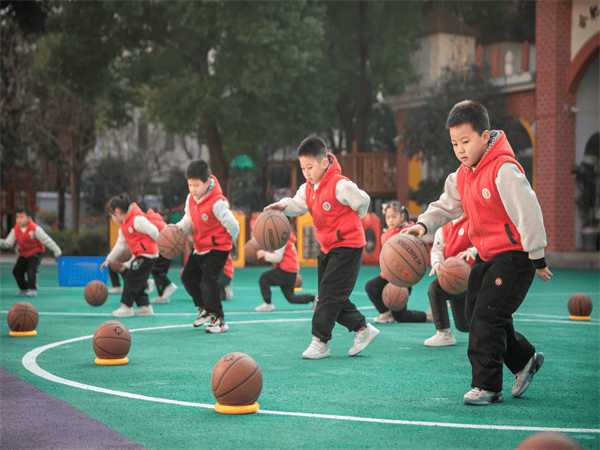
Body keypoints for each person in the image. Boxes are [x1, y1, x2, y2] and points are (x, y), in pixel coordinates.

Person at [402, 100, 552, 406]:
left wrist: (537, 256)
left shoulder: (504, 170)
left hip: (515, 257)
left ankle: (487, 386)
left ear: (485, 136)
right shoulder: (462, 175)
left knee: (488, 314)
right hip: (487, 256)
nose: (459, 149)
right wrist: (422, 225)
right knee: (475, 314)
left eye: (466, 141)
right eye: (455, 143)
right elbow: (445, 206)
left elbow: (529, 212)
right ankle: (524, 359)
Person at [265, 135, 379, 359]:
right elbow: (297, 203)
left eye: (309, 167)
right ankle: (363, 329)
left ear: (324, 163)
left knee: (328, 295)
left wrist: (357, 219)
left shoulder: (340, 185)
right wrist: (283, 206)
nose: (306, 172)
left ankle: (320, 341)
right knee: (332, 295)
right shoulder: (309, 188)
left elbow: (363, 200)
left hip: (348, 246)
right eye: (302, 168)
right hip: (327, 247)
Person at [172, 159, 239, 333]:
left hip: (219, 248)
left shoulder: (218, 203)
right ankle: (204, 309)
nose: (192, 189)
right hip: (200, 246)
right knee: (187, 277)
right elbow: (188, 218)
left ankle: (219, 319)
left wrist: (233, 242)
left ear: (207, 182)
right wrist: (180, 226)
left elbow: (233, 224)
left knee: (209, 281)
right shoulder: (191, 198)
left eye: (196, 185)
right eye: (190, 185)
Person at [366, 201, 432, 324]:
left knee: (401, 316)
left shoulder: (408, 230)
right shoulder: (385, 235)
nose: (390, 220)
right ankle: (386, 313)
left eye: (394, 217)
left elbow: (416, 247)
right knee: (371, 286)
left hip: (402, 278)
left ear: (401, 216)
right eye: (388, 217)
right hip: (388, 275)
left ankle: (427, 316)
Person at [100, 193, 159, 317]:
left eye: (111, 214)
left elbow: (154, 230)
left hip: (148, 255)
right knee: (136, 279)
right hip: (142, 256)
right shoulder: (124, 226)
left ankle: (126, 307)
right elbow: (120, 245)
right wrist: (108, 260)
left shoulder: (137, 219)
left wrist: (161, 244)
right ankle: (145, 307)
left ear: (117, 211)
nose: (111, 217)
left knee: (130, 277)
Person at [423, 214, 474, 346]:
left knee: (471, 325)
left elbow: (485, 240)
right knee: (464, 325)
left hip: (475, 278)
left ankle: (498, 320)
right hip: (455, 279)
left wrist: (472, 251)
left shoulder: (473, 219)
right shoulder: (443, 227)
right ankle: (445, 334)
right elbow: (437, 250)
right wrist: (436, 263)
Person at [0, 206, 62, 297]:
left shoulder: (36, 229)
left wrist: (57, 251)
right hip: (24, 253)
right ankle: (24, 289)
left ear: (29, 218)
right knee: (16, 271)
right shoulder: (15, 230)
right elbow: (7, 243)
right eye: (17, 217)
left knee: (30, 269)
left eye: (22, 217)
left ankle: (32, 289)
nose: (19, 220)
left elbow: (47, 240)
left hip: (36, 252)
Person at [254, 231, 316, 312]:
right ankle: (315, 298)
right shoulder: (285, 236)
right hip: (290, 271)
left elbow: (277, 257)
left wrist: (264, 254)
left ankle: (268, 304)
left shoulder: (281, 239)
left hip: (286, 270)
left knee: (264, 278)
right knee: (291, 298)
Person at [145, 208, 178, 304]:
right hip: (172, 247)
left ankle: (169, 285)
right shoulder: (158, 219)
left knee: (155, 269)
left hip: (165, 247)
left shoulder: (148, 221)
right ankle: (162, 296)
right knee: (160, 271)